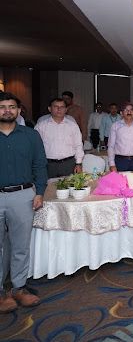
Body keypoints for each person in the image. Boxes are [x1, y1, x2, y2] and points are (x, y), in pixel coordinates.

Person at [0, 92, 47, 313]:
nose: (7, 111)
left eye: (12, 107)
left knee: (21, 245)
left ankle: (18, 287)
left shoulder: (31, 135)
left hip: (23, 195)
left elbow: (40, 165)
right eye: (2, 107)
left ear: (19, 111)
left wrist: (40, 192)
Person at [35, 98, 84, 178]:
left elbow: (78, 145)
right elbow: (35, 147)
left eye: (62, 107)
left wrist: (79, 163)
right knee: (48, 186)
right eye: (56, 106)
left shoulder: (72, 126)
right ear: (49, 109)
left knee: (69, 185)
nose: (59, 109)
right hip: (48, 165)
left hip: (68, 164)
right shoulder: (41, 126)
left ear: (66, 109)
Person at [108, 102, 133, 172]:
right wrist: (112, 164)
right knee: (120, 179)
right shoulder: (115, 126)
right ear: (121, 113)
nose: (129, 112)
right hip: (120, 161)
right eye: (126, 110)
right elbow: (111, 146)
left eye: (131, 110)